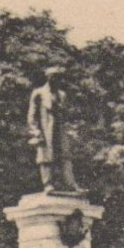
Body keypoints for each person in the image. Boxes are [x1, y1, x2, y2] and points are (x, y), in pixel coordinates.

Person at [26, 66, 81, 194]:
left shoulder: (62, 95)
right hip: (45, 130)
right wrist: (35, 130)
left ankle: (71, 184)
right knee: (45, 157)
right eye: (54, 77)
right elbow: (32, 114)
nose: (57, 80)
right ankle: (48, 184)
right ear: (48, 77)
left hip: (60, 129)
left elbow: (65, 114)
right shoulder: (38, 93)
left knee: (65, 156)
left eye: (59, 77)